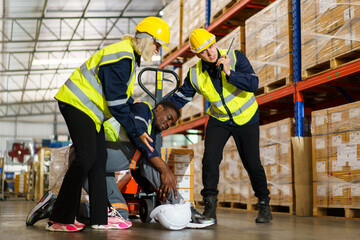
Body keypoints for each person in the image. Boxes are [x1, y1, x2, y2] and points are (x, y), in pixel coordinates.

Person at [47, 16, 171, 232]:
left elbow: (115, 90)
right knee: (85, 158)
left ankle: (99, 218)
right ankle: (59, 218)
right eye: (157, 45)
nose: (157, 51)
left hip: (90, 112)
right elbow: (115, 102)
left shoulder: (128, 57)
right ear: (146, 39)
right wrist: (137, 131)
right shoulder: (122, 57)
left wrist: (132, 101)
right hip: (77, 104)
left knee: (98, 159)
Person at [26, 101, 214, 228]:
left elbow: (139, 171)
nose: (168, 124)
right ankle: (182, 206)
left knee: (119, 215)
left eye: (171, 124)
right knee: (147, 156)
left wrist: (153, 185)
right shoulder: (143, 111)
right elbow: (138, 135)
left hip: (100, 168)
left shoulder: (151, 132)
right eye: (169, 118)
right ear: (159, 108)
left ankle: (57, 206)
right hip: (88, 154)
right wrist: (165, 171)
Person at [164, 28, 272, 223]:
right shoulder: (195, 74)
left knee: (252, 163)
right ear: (197, 55)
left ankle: (264, 204)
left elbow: (253, 84)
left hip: (247, 118)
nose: (211, 52)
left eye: (212, 46)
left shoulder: (235, 57)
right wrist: (161, 108)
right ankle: (210, 205)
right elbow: (181, 97)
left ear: (215, 43)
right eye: (204, 51)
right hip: (220, 119)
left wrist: (230, 73)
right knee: (210, 159)